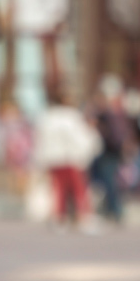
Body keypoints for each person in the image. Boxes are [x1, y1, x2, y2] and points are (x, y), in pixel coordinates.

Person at [34, 91, 101, 228]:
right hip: (71, 158)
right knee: (79, 190)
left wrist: (41, 159)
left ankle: (59, 218)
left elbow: (41, 140)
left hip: (54, 159)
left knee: (58, 190)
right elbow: (81, 139)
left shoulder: (47, 117)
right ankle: (83, 217)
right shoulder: (72, 117)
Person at [90, 75, 131, 223]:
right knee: (106, 182)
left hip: (108, 151)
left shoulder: (108, 114)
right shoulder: (114, 113)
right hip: (109, 151)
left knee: (109, 182)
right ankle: (110, 209)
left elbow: (113, 134)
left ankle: (114, 210)